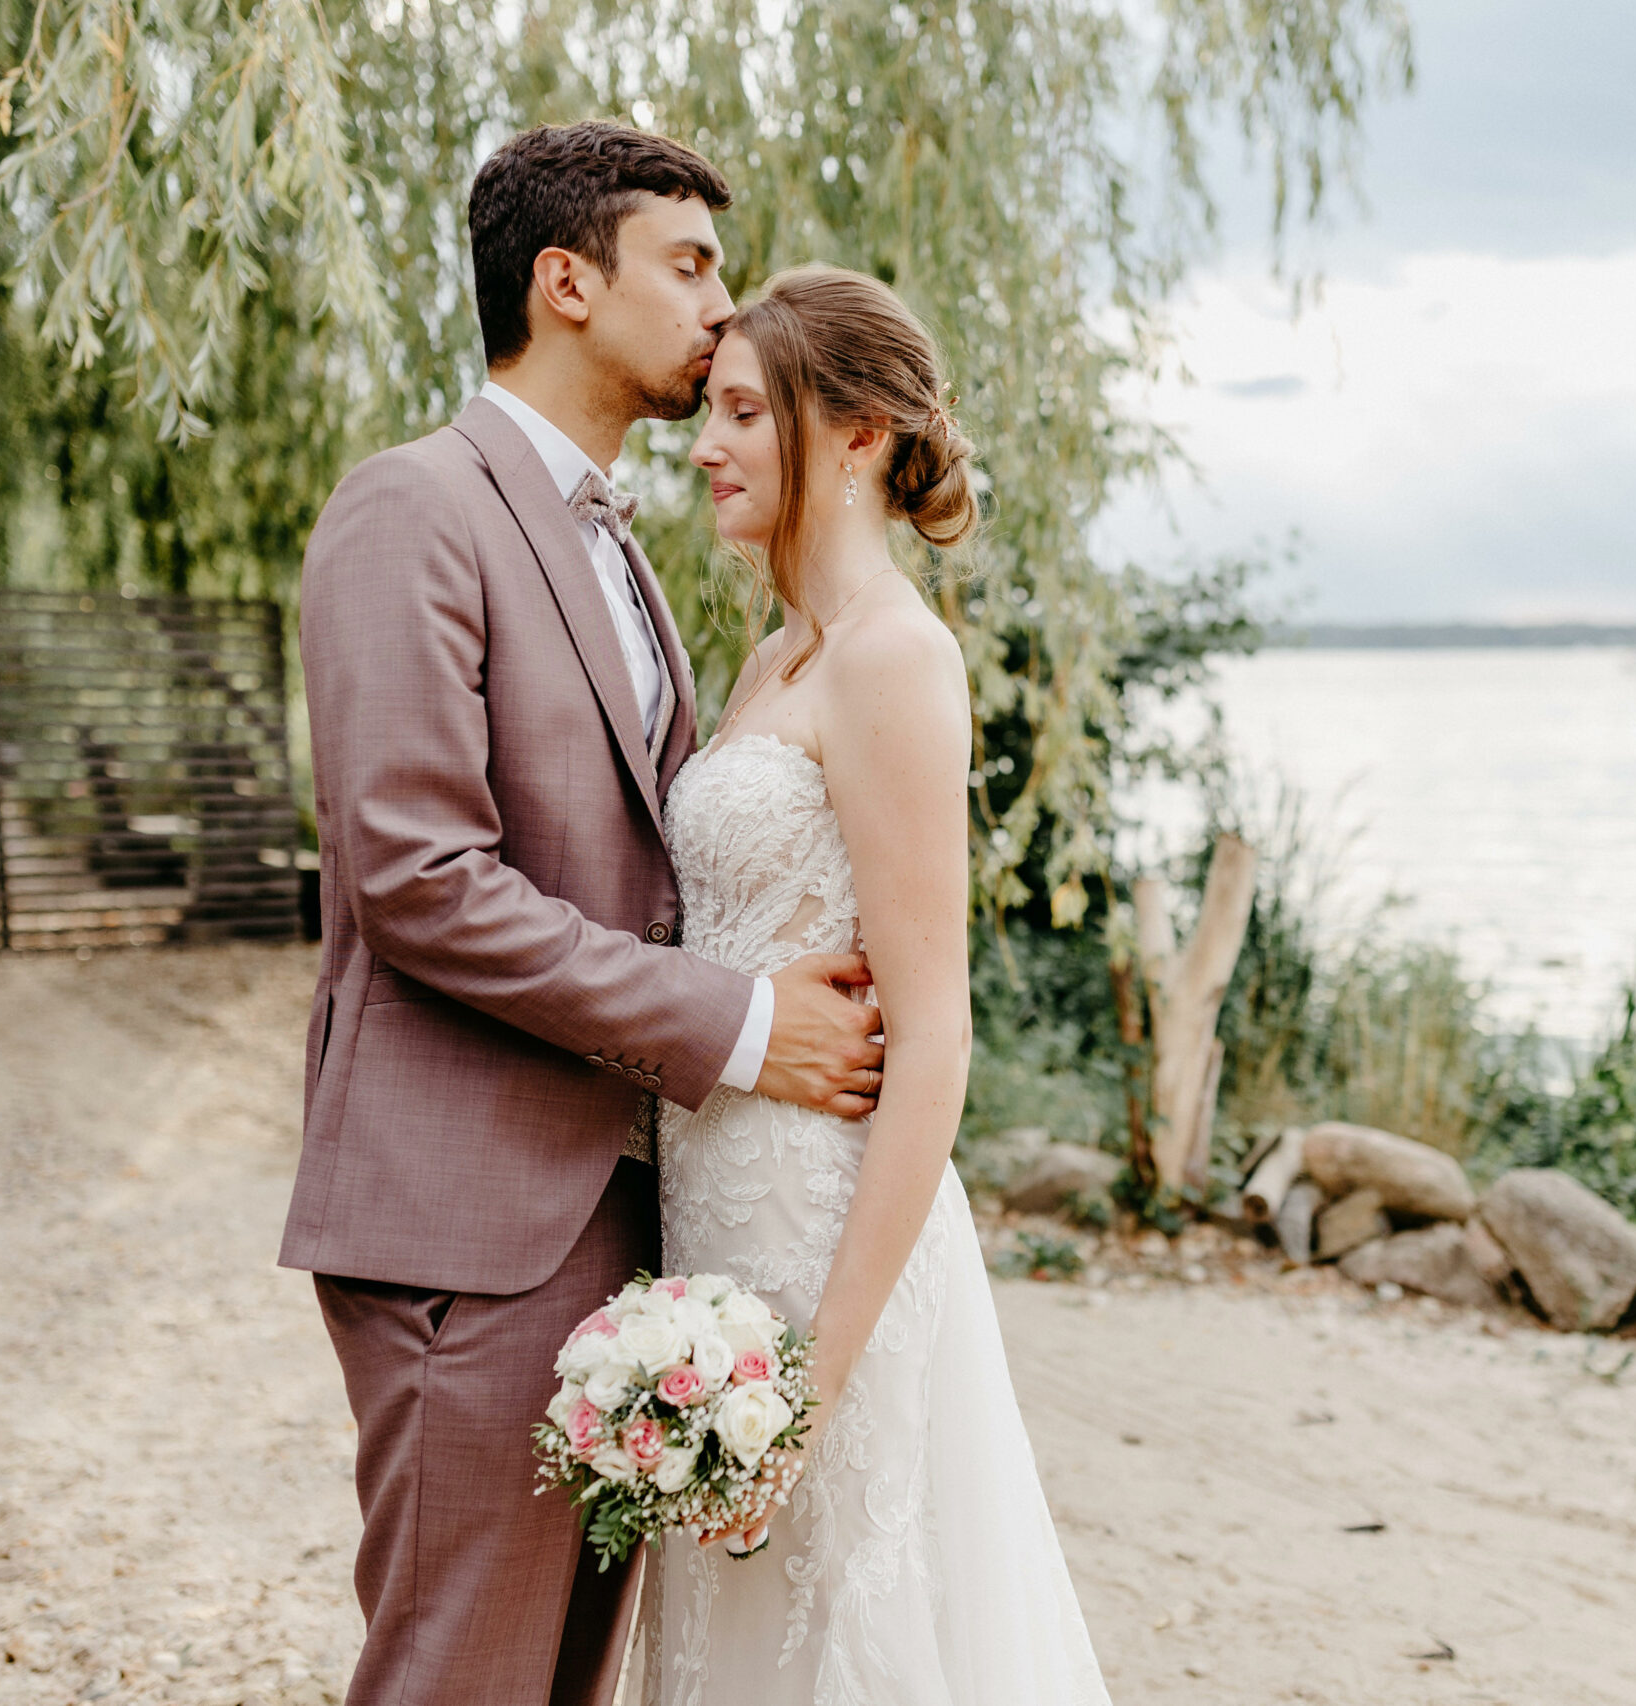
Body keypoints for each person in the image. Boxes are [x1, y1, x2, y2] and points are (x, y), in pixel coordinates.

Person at [284, 124, 886, 1706]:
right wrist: (748, 1027)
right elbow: (418, 879)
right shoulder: (410, 508)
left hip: (622, 1219)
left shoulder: (612, 544)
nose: (720, 306)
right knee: (455, 1674)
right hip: (466, 1221)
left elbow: (651, 862)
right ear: (565, 281)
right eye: (687, 266)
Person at [639, 265, 1112, 1704]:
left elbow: (938, 1033)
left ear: (851, 436)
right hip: (713, 1213)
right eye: (706, 413)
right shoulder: (773, 656)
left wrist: (809, 1384)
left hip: (831, 1238)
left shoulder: (900, 660)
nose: (704, 445)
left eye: (737, 414)